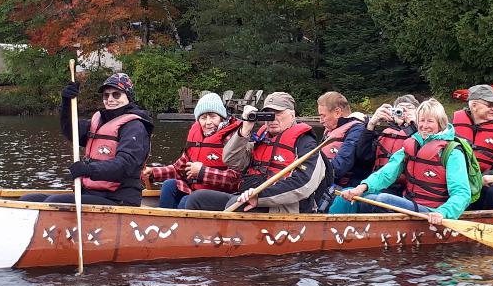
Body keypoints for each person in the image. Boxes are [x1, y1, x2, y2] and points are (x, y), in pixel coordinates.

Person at [21, 71, 154, 206]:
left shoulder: (135, 126)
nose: (110, 99)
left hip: (119, 198)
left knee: (54, 202)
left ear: (128, 97)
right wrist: (66, 104)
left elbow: (125, 165)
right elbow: (71, 131)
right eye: (106, 95)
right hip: (91, 193)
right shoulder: (100, 120)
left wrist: (88, 170)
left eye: (116, 94)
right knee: (28, 199)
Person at [332, 99, 473, 226]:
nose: (424, 126)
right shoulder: (411, 144)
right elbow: (387, 173)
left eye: (430, 121)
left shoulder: (452, 152)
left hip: (433, 211)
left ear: (440, 124)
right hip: (410, 204)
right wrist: (361, 187)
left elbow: (462, 193)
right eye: (421, 121)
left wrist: (443, 213)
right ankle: (337, 228)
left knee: (383, 199)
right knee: (356, 196)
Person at [181, 92, 325, 213]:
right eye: (268, 114)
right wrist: (245, 129)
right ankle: (198, 241)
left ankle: (226, 244)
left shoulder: (306, 143)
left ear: (292, 115)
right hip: (248, 197)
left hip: (283, 207)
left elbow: (304, 185)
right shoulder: (262, 139)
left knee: (235, 204)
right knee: (197, 199)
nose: (272, 119)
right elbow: (231, 159)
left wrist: (259, 197)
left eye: (278, 113)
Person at [144, 92, 239, 209]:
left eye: (213, 116)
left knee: (186, 200)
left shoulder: (232, 139)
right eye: (203, 118)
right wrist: (153, 172)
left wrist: (203, 172)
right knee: (169, 185)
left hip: (222, 196)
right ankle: (164, 224)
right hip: (196, 192)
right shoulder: (196, 138)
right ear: (198, 120)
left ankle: (179, 225)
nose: (208, 122)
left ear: (222, 118)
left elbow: (236, 179)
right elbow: (178, 169)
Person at [316, 91, 372, 188]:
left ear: (337, 112)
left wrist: (311, 171)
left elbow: (340, 166)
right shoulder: (330, 131)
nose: (321, 121)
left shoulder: (356, 130)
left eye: (323, 116)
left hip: (346, 188)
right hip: (325, 180)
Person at [452, 84, 493, 173]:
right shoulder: (451, 124)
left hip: (485, 182)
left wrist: (485, 177)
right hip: (454, 176)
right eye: (490, 105)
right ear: (474, 106)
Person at [363, 95, 418, 175]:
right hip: (379, 181)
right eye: (400, 109)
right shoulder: (384, 131)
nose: (404, 112)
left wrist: (414, 125)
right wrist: (371, 125)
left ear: (417, 112)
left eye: (409, 108)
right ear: (393, 112)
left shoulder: (423, 132)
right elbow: (364, 156)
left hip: (406, 183)